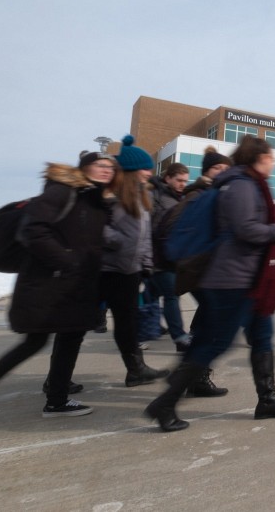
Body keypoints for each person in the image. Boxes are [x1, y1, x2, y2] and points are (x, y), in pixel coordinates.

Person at [145, 135, 275, 432]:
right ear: (259, 158)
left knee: (262, 334)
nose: (273, 163)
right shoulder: (241, 185)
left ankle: (267, 400)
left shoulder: (245, 183)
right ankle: (165, 402)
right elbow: (246, 229)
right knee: (216, 342)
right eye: (271, 157)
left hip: (247, 278)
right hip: (233, 279)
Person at [0, 151, 114, 429]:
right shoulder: (62, 192)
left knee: (71, 337)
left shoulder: (93, 201)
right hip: (47, 284)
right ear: (84, 168)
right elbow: (33, 230)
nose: (106, 170)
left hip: (73, 287)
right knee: (33, 342)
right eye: (100, 165)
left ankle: (57, 400)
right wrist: (67, 261)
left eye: (110, 167)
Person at [101, 135, 170, 387]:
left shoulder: (142, 196)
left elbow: (145, 236)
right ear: (130, 171)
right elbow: (96, 228)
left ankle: (136, 369)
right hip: (109, 269)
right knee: (79, 327)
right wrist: (117, 241)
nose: (148, 172)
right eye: (144, 167)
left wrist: (147, 263)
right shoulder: (110, 195)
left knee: (126, 323)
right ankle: (56, 384)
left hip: (130, 270)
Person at [170, 146, 233, 398]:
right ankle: (188, 376)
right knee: (212, 327)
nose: (223, 172)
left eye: (226, 169)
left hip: (208, 270)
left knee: (208, 324)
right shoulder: (197, 195)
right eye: (218, 168)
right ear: (207, 171)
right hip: (200, 270)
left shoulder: (213, 193)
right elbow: (177, 227)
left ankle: (193, 377)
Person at [143, 162, 191, 351]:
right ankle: (179, 337)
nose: (182, 184)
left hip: (171, 256)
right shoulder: (155, 195)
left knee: (150, 295)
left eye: (185, 181)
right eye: (179, 180)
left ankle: (137, 328)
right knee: (172, 295)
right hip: (159, 256)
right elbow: (147, 226)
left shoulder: (179, 198)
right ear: (168, 177)